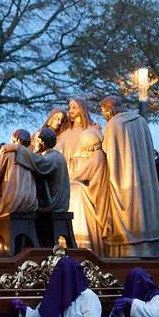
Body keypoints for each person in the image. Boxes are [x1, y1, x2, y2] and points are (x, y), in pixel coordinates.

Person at [100, 97, 159, 258]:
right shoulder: (141, 121)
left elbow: (107, 149)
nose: (103, 114)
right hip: (144, 176)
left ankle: (128, 250)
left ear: (109, 109)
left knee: (129, 212)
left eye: (103, 110)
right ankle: (151, 249)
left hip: (124, 175)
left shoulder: (114, 124)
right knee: (145, 208)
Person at [55, 98, 108, 255]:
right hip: (71, 174)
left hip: (89, 176)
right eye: (69, 107)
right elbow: (57, 153)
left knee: (77, 195)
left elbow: (100, 152)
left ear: (82, 109)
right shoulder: (65, 135)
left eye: (74, 107)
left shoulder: (94, 129)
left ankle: (84, 242)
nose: (71, 110)